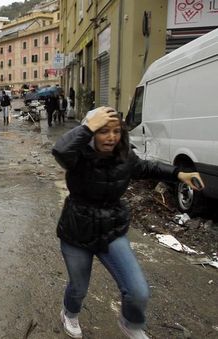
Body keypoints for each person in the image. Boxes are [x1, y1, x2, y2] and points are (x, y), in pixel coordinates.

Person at [52, 107, 204, 339]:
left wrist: (178, 174)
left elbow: (146, 167)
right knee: (78, 288)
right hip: (77, 232)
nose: (111, 137)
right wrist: (88, 126)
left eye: (116, 131)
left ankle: (131, 323)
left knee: (137, 291)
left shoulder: (124, 155)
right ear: (91, 132)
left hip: (112, 229)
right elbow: (60, 150)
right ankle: (69, 313)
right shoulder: (78, 156)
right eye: (103, 131)